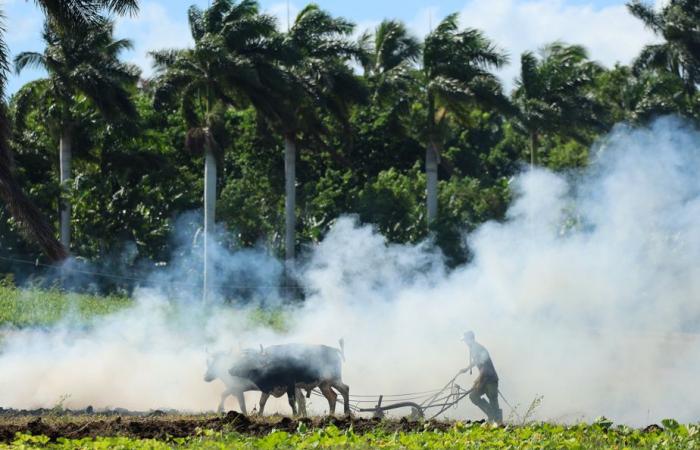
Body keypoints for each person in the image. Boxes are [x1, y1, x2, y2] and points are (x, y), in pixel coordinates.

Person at [459, 331, 502, 423]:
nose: (465, 343)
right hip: (485, 379)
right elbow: (477, 361)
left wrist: (477, 381)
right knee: (473, 396)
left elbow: (485, 368)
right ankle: (491, 415)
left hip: (490, 379)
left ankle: (498, 422)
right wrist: (466, 369)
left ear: (470, 339)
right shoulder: (474, 348)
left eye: (466, 340)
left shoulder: (476, 348)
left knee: (493, 399)